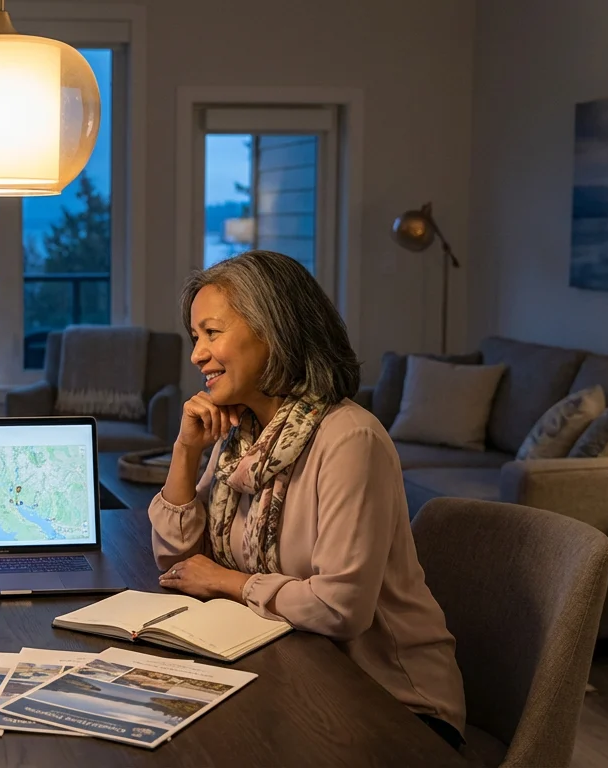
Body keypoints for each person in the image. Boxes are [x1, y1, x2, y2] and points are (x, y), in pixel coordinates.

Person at [149, 250, 466, 749]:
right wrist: (187, 451)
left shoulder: (349, 439)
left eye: (212, 333)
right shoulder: (240, 437)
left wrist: (229, 581)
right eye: (195, 337)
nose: (196, 355)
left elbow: (339, 609)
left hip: (391, 705)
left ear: (273, 331)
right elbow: (178, 564)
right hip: (286, 667)